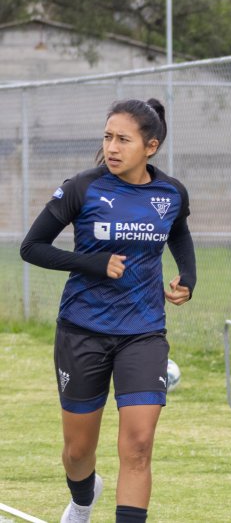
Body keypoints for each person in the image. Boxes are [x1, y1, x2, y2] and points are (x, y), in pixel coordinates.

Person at [20, 99, 196, 523]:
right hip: (83, 329)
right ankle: (83, 499)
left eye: (123, 139)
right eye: (108, 137)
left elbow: (180, 234)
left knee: (137, 447)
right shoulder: (82, 187)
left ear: (150, 146)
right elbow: (32, 247)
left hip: (144, 332)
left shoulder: (170, 193)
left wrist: (188, 278)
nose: (112, 147)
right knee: (78, 453)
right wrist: (91, 263)